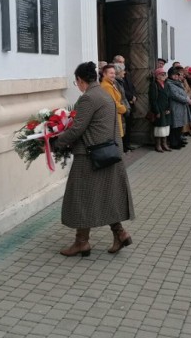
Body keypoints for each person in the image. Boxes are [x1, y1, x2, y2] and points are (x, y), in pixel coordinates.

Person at [54, 62, 135, 257]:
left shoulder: (89, 98)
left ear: (81, 80)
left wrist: (55, 142)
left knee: (82, 196)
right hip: (106, 153)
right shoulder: (104, 94)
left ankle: (82, 242)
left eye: (77, 82)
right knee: (103, 195)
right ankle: (120, 234)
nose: (78, 86)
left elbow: (77, 129)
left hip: (90, 156)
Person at [166, 67, 191, 149]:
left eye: (177, 75)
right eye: (174, 75)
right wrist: (186, 100)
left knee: (180, 125)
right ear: (170, 75)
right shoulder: (169, 84)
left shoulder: (178, 83)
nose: (176, 77)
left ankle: (178, 141)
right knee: (175, 126)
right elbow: (175, 95)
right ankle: (174, 143)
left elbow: (183, 93)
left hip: (181, 107)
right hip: (175, 107)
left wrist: (187, 98)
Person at [100, 64, 127, 137]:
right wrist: (124, 109)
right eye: (111, 73)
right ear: (104, 74)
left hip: (115, 115)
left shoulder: (110, 84)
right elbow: (113, 103)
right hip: (113, 116)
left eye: (114, 73)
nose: (113, 75)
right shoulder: (106, 86)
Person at [149, 68, 172, 152]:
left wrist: (169, 108)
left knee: (166, 127)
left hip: (166, 109)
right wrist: (157, 111)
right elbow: (153, 100)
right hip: (159, 108)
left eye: (164, 74)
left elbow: (169, 97)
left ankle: (164, 144)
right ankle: (158, 145)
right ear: (157, 76)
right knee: (159, 128)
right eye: (162, 74)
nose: (164, 76)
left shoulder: (167, 84)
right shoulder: (154, 85)